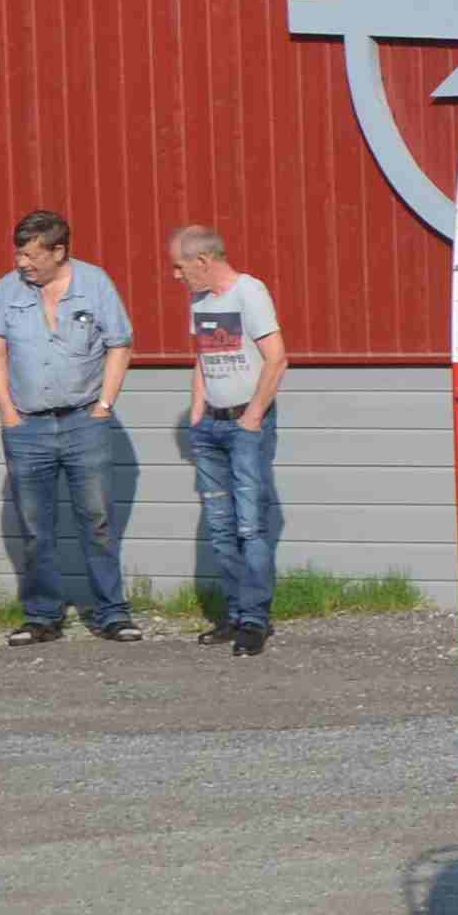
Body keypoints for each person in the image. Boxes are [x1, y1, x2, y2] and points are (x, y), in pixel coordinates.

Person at [0, 210, 139, 645]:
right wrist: (7, 413)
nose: (22, 263)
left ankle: (112, 613)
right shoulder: (8, 289)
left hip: (85, 422)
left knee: (97, 521)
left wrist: (104, 406)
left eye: (31, 255)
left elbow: (120, 345)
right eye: (19, 254)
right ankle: (42, 616)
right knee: (35, 528)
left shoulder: (95, 284)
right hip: (27, 427)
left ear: (58, 251)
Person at [169, 225, 287, 656]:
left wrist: (253, 416)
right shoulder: (200, 300)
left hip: (245, 427)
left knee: (250, 525)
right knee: (220, 528)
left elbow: (277, 358)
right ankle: (235, 615)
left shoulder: (248, 292)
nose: (176, 275)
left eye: (179, 266)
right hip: (210, 428)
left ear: (203, 261)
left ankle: (254, 620)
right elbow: (203, 357)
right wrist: (197, 414)